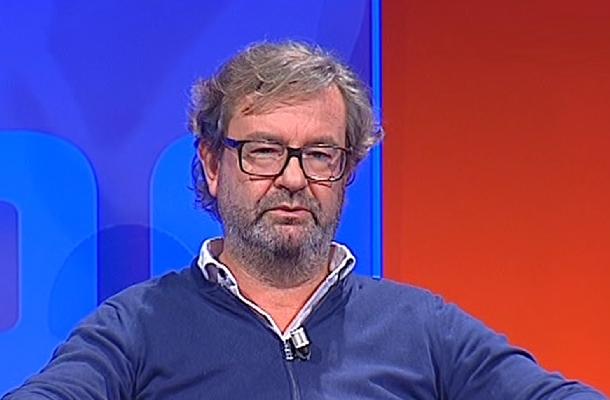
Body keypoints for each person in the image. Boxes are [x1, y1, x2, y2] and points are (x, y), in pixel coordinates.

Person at [3, 41, 606, 400]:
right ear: (212, 164)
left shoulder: (422, 327)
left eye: (319, 154)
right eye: (264, 151)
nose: (293, 178)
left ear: (347, 171)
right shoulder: (136, 326)